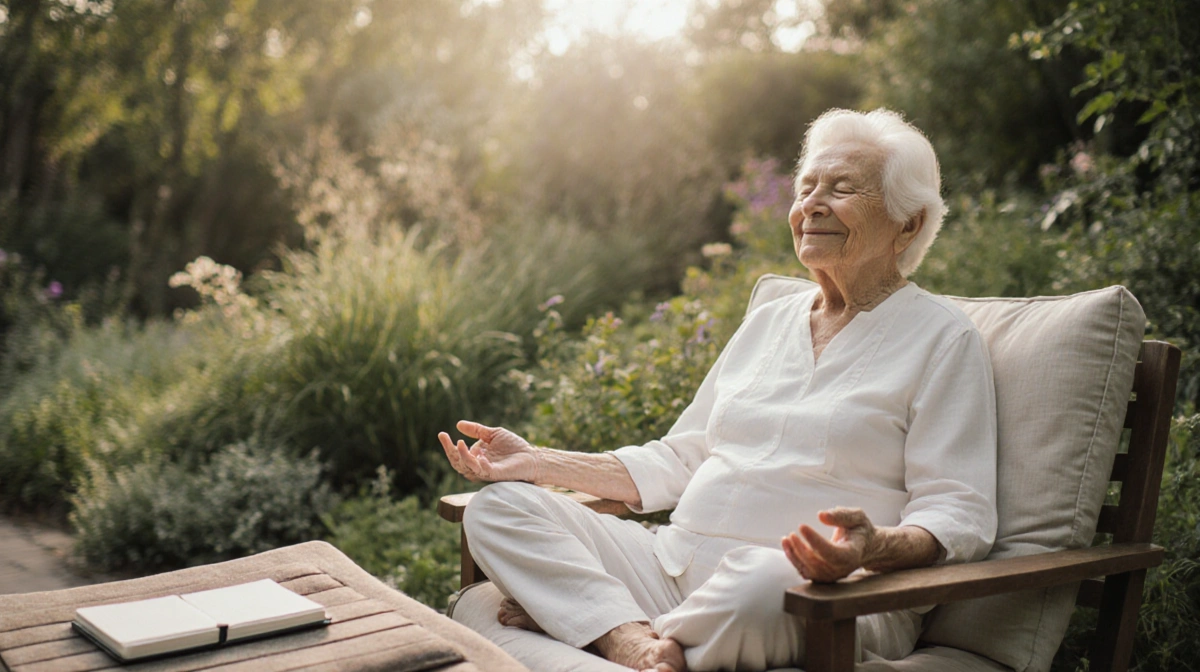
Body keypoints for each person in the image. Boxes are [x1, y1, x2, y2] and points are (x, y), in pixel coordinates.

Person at [439, 108, 997, 672]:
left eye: (843, 189)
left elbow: (959, 509)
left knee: (770, 578)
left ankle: (597, 623)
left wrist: (872, 547)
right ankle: (633, 641)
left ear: (908, 223)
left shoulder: (943, 339)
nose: (811, 206)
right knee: (498, 509)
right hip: (673, 566)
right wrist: (538, 462)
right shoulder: (771, 321)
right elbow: (684, 455)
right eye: (806, 189)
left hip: (823, 591)